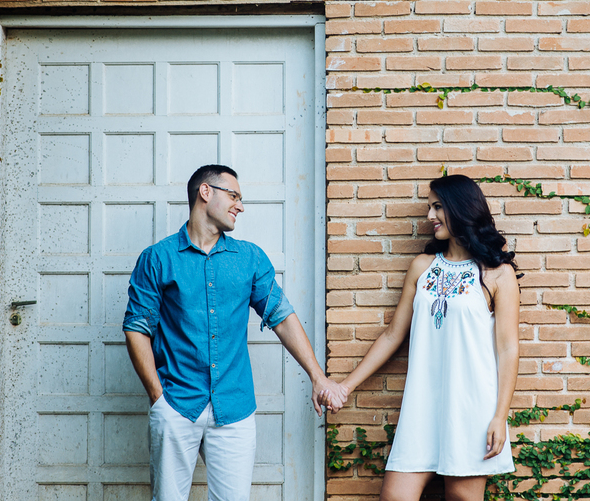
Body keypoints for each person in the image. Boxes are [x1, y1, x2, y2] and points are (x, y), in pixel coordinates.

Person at [123, 164, 346, 501]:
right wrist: (158, 397)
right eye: (234, 196)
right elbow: (137, 327)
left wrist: (318, 377)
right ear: (205, 192)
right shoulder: (158, 258)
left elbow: (282, 317)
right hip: (176, 402)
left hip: (234, 406)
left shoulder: (250, 258)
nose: (240, 206)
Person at [327, 174, 521, 501]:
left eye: (438, 207)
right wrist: (345, 386)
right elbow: (392, 335)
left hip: (470, 410)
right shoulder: (422, 267)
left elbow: (508, 350)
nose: (430, 216)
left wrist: (500, 417)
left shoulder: (498, 274)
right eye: (430, 208)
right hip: (421, 407)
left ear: (461, 208)